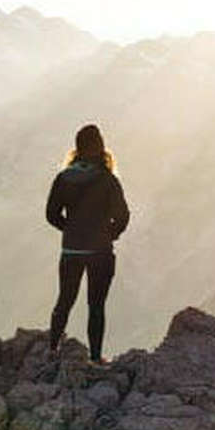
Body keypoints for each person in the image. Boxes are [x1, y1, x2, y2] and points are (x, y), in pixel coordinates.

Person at [45, 123, 130, 364]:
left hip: (71, 249)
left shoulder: (63, 179)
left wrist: (70, 229)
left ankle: (52, 348)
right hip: (100, 252)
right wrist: (109, 234)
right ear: (101, 148)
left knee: (65, 300)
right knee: (96, 305)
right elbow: (122, 216)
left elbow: (51, 214)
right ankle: (94, 358)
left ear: (77, 149)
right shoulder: (108, 180)